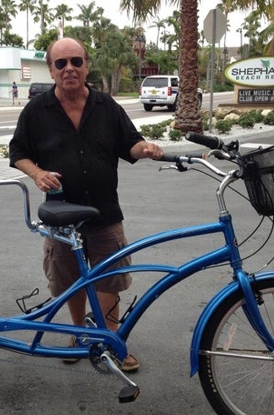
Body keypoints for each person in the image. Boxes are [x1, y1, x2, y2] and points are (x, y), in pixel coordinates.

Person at [9, 37, 163, 372]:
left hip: (105, 213)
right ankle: (77, 333)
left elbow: (131, 144)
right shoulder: (37, 110)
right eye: (61, 63)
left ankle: (111, 341)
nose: (69, 69)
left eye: (76, 62)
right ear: (51, 69)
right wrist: (36, 174)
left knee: (112, 280)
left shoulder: (107, 106)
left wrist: (145, 148)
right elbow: (18, 152)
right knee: (69, 281)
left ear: (86, 66)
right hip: (62, 218)